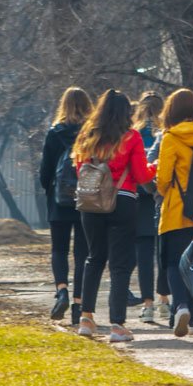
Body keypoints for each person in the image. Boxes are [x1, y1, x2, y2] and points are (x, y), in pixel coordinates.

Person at [73, 90, 156, 343]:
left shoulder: (88, 136)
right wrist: (156, 167)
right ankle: (117, 325)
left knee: (94, 258)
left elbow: (80, 169)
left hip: (91, 203)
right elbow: (142, 176)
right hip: (123, 201)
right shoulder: (130, 138)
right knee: (120, 265)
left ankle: (86, 318)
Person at [155, 88, 193, 338]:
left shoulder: (170, 138)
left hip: (175, 212)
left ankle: (179, 307)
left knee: (172, 263)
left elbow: (163, 179)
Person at [38, 86, 92, 323]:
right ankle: (79, 305)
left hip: (58, 200)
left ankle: (62, 291)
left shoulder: (54, 133)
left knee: (58, 249)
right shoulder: (91, 133)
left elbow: (45, 171)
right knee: (83, 253)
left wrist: (49, 189)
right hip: (87, 199)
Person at [132, 91, 165, 322]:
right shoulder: (166, 133)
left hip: (139, 199)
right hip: (163, 196)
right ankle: (165, 300)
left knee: (144, 255)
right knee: (164, 252)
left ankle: (148, 304)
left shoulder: (134, 133)